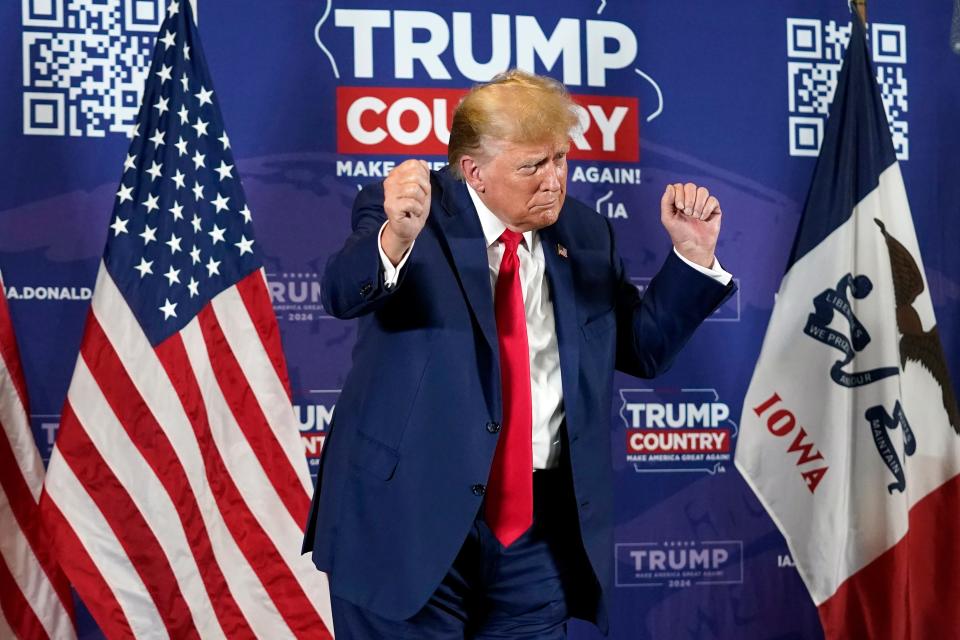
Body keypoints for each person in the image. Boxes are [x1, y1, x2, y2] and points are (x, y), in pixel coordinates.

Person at [303, 69, 734, 638]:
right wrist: (393, 239)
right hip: (404, 521)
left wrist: (692, 259)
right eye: (532, 167)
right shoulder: (411, 215)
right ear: (473, 173)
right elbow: (341, 292)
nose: (553, 181)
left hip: (533, 535)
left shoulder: (584, 233)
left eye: (559, 159)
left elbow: (640, 349)